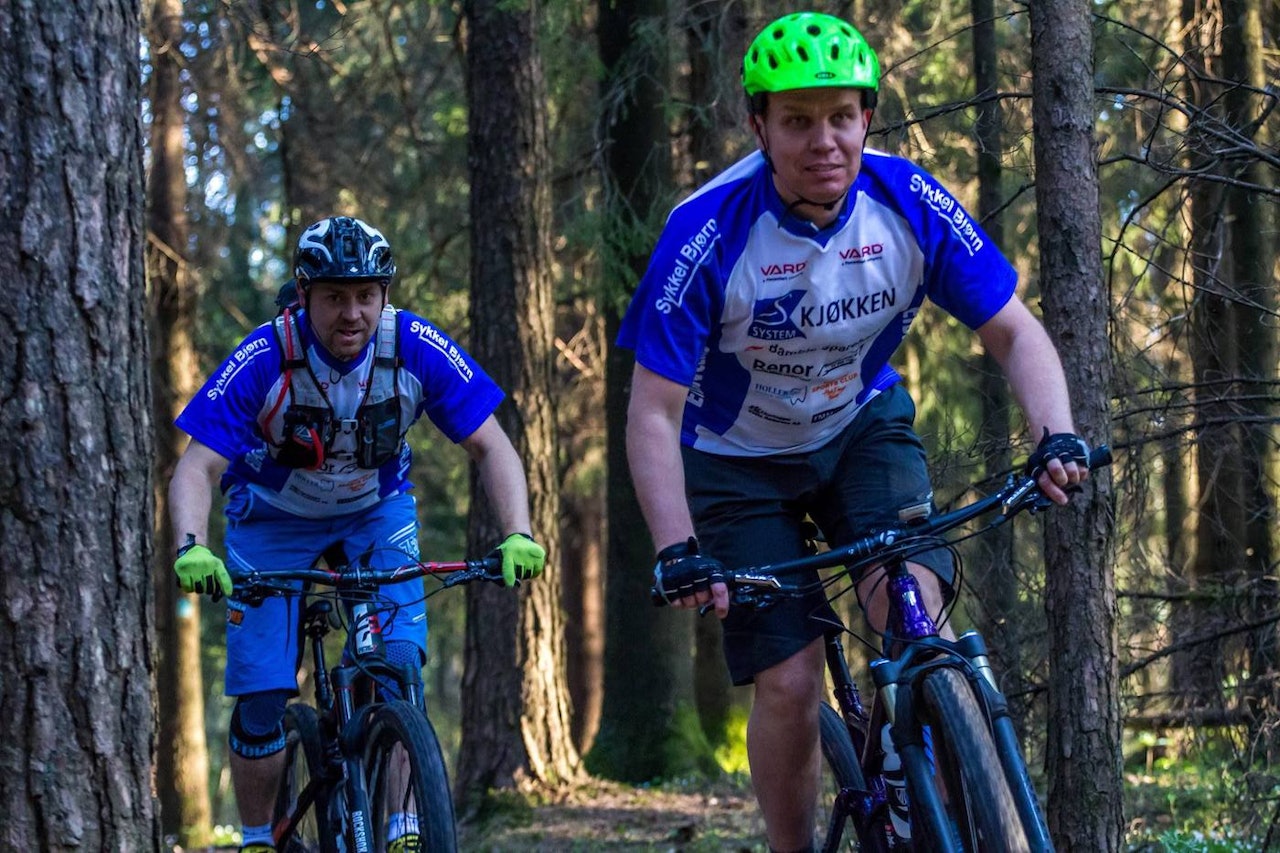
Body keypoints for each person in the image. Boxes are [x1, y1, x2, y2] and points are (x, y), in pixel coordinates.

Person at [618, 12, 1089, 853]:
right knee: (792, 681)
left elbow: (1014, 330)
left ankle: (922, 772)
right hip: (736, 462)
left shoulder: (908, 202)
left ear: (867, 115)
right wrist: (675, 545)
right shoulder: (706, 230)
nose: (824, 140)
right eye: (797, 120)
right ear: (758, 124)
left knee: (915, 614)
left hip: (859, 428)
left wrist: (1056, 435)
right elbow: (651, 410)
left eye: (842, 116)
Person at [169, 215, 546, 853]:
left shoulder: (414, 345)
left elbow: (494, 447)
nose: (352, 313)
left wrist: (518, 532)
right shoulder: (267, 355)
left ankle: (402, 825)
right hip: (271, 518)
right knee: (262, 698)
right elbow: (196, 466)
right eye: (335, 297)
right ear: (305, 295)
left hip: (375, 513)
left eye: (366, 295)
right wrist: (191, 545)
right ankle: (259, 838)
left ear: (384, 295)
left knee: (396, 665)